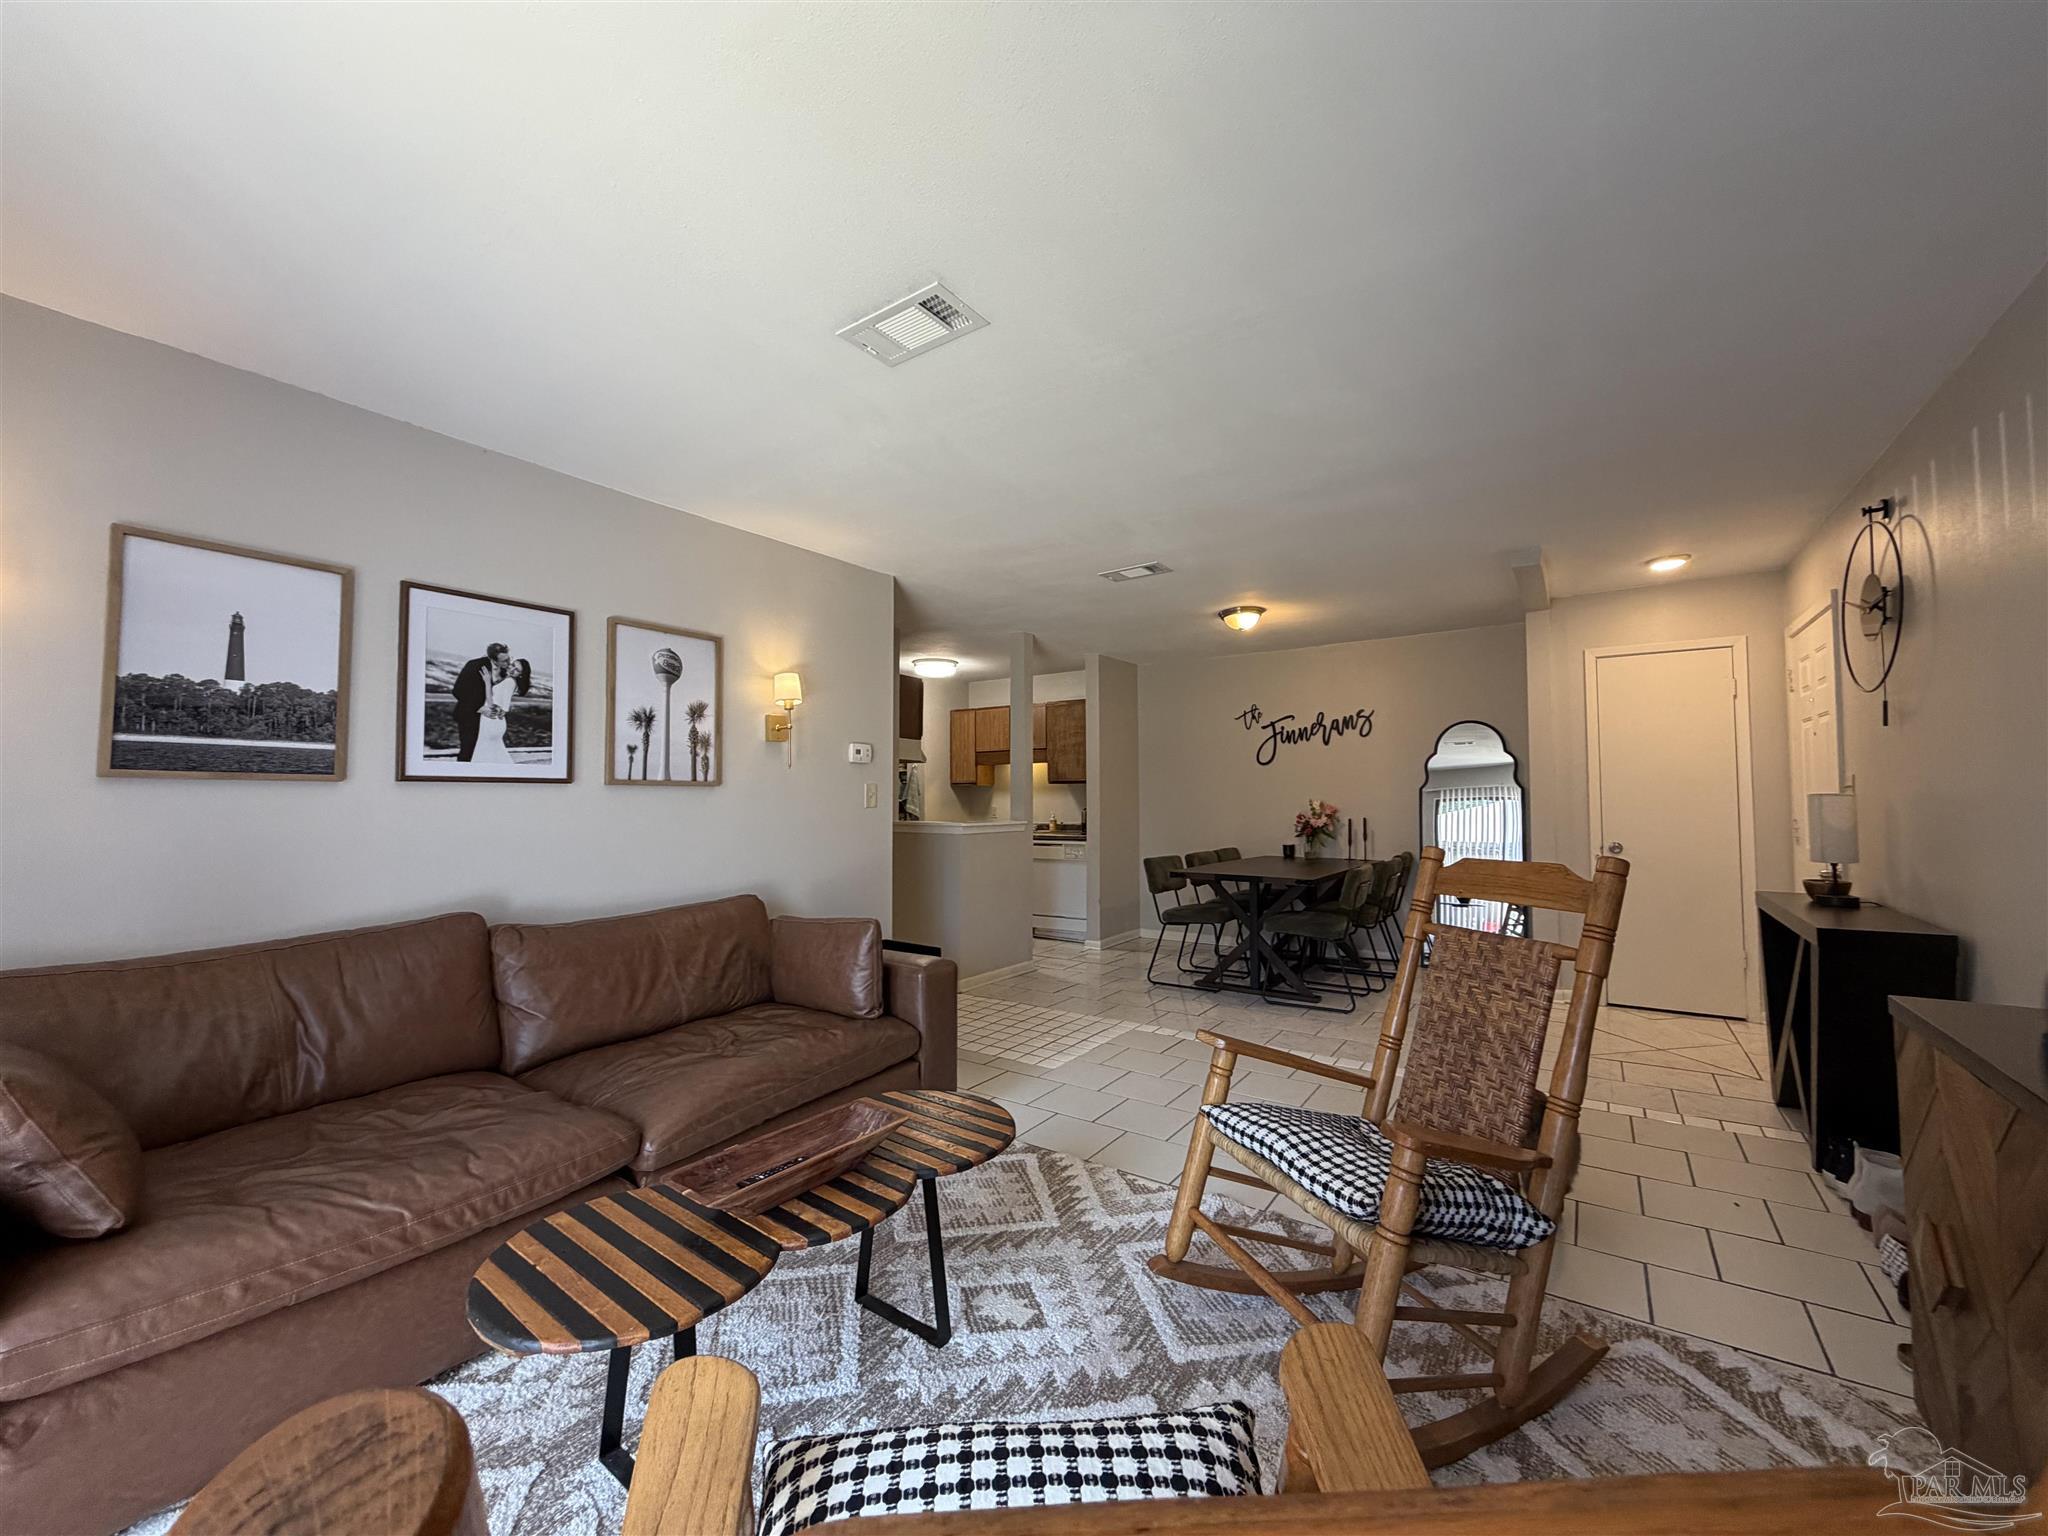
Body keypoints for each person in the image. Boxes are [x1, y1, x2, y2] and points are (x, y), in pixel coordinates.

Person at [469, 655, 533, 766]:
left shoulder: (509, 682)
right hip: (496, 722)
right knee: (494, 755)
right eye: (513, 665)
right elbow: (504, 707)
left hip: (491, 721)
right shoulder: (510, 682)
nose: (512, 669)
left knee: (485, 755)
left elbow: (492, 704)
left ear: (520, 674)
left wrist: (487, 681)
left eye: (517, 670)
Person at [450, 643, 508, 763]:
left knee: (484, 753)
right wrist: (479, 708)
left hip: (490, 720)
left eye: (508, 659)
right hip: (470, 716)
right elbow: (458, 691)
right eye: (504, 661)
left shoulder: (504, 671)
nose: (508, 663)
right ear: (493, 659)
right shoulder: (474, 665)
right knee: (468, 751)